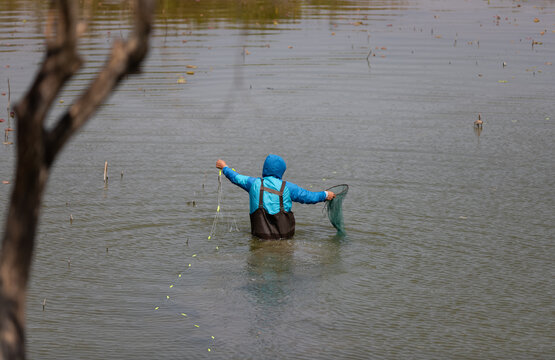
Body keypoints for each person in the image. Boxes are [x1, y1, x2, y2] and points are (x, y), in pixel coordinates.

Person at [216, 154, 335, 240]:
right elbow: (308, 197)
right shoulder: (288, 188)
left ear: (265, 169)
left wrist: (225, 167)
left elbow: (235, 177)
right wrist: (325, 195)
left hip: (260, 237)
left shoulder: (253, 184)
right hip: (285, 240)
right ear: (281, 171)